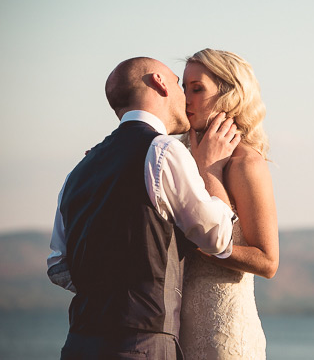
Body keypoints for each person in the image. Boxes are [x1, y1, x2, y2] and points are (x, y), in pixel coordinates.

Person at [47, 57, 240, 359]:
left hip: (77, 344)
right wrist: (211, 170)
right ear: (160, 83)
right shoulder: (163, 149)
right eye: (178, 83)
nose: (185, 97)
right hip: (141, 345)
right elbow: (216, 237)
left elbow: (58, 265)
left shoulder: (79, 170)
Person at [179, 48, 279, 360]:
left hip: (224, 336)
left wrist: (200, 245)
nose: (186, 99)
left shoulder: (246, 164)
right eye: (184, 88)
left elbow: (267, 262)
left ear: (230, 96)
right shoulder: (179, 158)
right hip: (176, 332)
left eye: (197, 89)